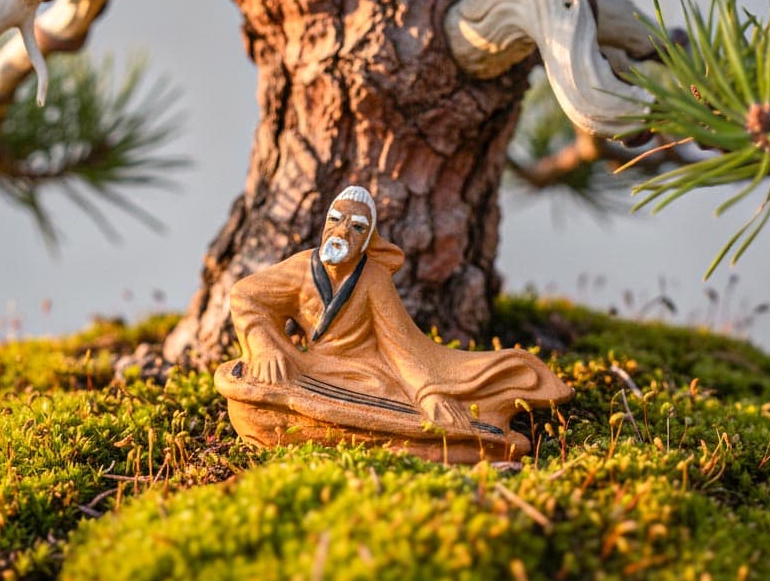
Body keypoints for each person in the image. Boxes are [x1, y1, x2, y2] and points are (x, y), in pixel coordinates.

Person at [215, 185, 573, 462]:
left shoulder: (373, 280)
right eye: (335, 219)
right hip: (311, 367)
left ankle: (475, 438)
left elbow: (400, 346)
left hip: (363, 374)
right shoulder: (300, 267)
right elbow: (246, 296)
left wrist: (427, 393)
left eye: (356, 227)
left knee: (402, 401)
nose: (341, 232)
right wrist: (263, 344)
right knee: (246, 395)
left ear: (368, 239)